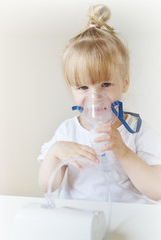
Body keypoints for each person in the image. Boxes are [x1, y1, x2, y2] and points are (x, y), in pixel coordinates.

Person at [38, 4, 161, 203]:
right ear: (72, 89)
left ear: (125, 82)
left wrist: (125, 153)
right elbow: (47, 187)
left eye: (105, 84)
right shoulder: (68, 132)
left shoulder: (137, 132)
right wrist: (55, 154)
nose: (95, 96)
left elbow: (157, 189)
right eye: (83, 88)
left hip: (127, 223)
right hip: (82, 221)